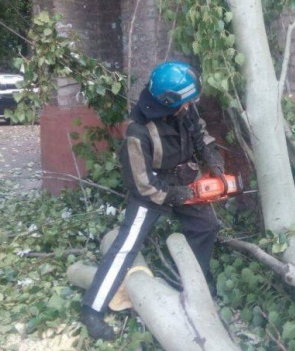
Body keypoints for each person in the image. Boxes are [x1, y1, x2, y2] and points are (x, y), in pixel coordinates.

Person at [80, 61, 225, 340]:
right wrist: (174, 195)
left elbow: (199, 134)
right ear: (168, 101)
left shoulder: (185, 107)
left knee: (206, 226)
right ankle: (92, 310)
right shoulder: (138, 131)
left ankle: (191, 283)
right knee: (126, 245)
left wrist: (212, 158)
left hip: (183, 179)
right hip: (151, 192)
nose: (190, 105)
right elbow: (141, 182)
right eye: (186, 101)